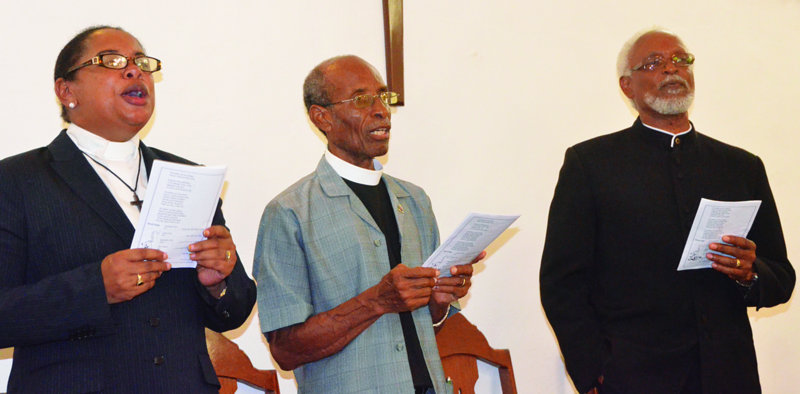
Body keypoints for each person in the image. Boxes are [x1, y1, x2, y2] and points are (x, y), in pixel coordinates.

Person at [0, 26, 256, 393]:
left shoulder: (189, 178)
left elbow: (235, 311)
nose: (135, 71)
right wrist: (94, 288)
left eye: (141, 63)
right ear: (66, 91)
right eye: (112, 61)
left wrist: (220, 282)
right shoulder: (15, 181)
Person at [539, 29, 794, 394]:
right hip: (634, 376)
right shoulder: (591, 165)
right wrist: (593, 371)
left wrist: (749, 272)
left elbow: (781, 276)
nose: (671, 69)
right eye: (654, 63)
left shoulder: (741, 166)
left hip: (729, 374)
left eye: (680, 60)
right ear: (628, 86)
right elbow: (561, 283)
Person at [253, 55, 483, 393]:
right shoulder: (289, 213)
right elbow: (286, 350)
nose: (381, 110)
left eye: (383, 97)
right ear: (323, 117)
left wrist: (440, 299)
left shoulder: (414, 201)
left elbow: (422, 327)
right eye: (362, 100)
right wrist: (376, 300)